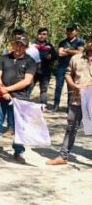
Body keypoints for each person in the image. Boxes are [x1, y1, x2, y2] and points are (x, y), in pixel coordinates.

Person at [0, 33, 37, 163]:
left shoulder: (30, 61)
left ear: (26, 47)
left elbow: (26, 81)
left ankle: (19, 152)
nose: (18, 47)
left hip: (20, 98)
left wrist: (7, 89)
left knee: (19, 126)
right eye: (16, 44)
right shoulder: (4, 58)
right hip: (1, 96)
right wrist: (2, 90)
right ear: (12, 44)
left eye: (21, 45)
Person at [47, 36, 92, 165]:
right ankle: (63, 156)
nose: (91, 43)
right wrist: (73, 86)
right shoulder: (76, 58)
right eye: (90, 40)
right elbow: (67, 74)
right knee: (71, 127)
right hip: (77, 99)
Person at [51, 23, 85, 111]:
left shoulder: (80, 42)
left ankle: (69, 107)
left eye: (72, 30)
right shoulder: (63, 42)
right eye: (68, 30)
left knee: (71, 87)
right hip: (61, 67)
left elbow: (80, 52)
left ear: (76, 31)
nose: (69, 32)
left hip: (74, 68)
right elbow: (60, 53)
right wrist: (73, 51)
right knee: (58, 86)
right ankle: (56, 105)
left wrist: (67, 50)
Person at [31, 27, 57, 106]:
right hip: (32, 71)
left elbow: (56, 56)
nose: (42, 36)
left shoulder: (49, 46)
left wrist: (51, 56)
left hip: (45, 72)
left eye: (44, 34)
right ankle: (23, 104)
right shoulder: (32, 45)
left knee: (44, 90)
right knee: (28, 88)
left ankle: (42, 106)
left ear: (47, 36)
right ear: (37, 35)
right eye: (40, 34)